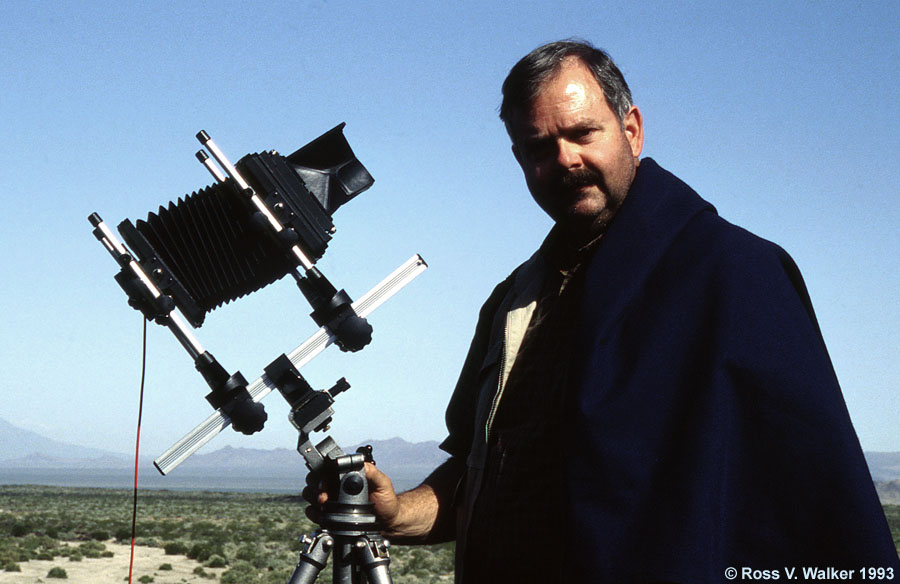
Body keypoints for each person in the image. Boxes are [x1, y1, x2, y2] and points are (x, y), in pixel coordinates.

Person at [308, 40, 899, 582]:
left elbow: (815, 509)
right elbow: (481, 473)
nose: (564, 161)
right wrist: (393, 510)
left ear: (632, 130)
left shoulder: (733, 275)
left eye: (582, 133)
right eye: (539, 148)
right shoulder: (514, 301)